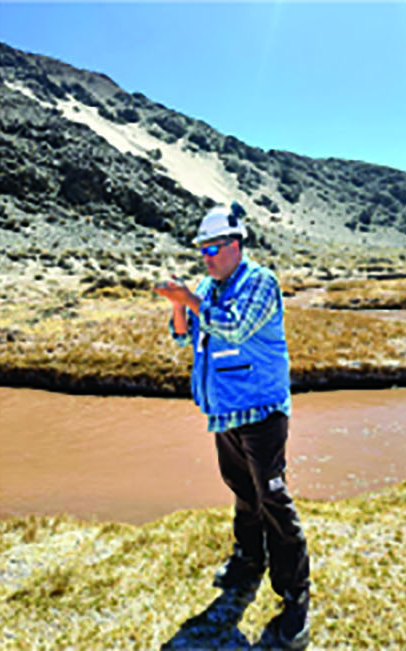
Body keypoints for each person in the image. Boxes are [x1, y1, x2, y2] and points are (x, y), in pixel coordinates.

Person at [154, 203, 310, 649]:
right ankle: (248, 561)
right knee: (243, 491)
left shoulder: (259, 282)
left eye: (215, 247)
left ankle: (295, 597)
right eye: (203, 249)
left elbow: (235, 328)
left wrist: (191, 300)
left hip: (261, 412)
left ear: (236, 245)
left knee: (273, 499)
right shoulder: (206, 285)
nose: (207, 256)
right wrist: (178, 306)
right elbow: (182, 336)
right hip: (225, 412)